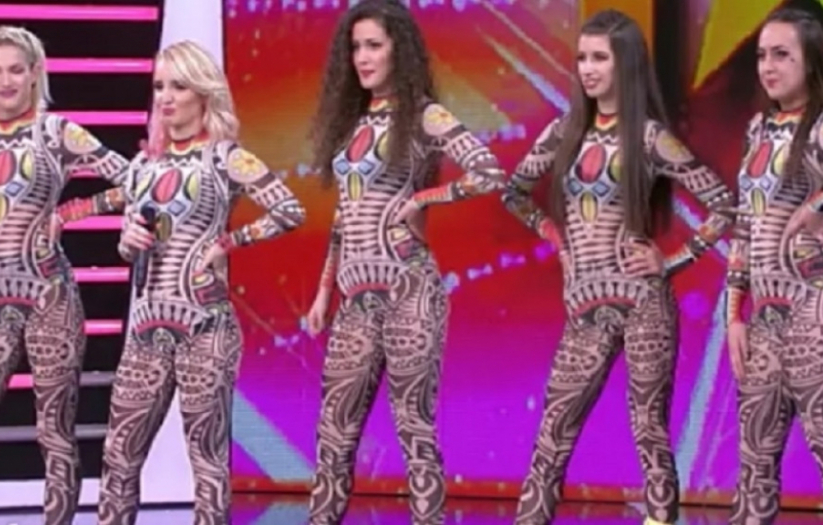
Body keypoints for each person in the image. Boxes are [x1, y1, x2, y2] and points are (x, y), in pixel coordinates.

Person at [502, 10, 736, 525]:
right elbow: (513, 192)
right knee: (553, 431)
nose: (587, 68)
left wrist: (672, 260)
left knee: (648, 430)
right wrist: (557, 240)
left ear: (625, 64)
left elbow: (726, 205)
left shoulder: (650, 138)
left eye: (599, 58)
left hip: (642, 302)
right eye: (582, 58)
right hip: (586, 306)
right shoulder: (564, 132)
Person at [303, 1, 505, 523]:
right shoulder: (352, 123)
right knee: (333, 434)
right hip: (355, 297)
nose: (362, 58)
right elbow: (345, 215)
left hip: (408, 288)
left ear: (400, 50)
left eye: (374, 45)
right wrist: (324, 291)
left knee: (414, 428)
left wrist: (422, 200)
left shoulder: (423, 114)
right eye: (356, 47)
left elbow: (488, 172)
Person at [96, 40, 305, 525]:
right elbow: (129, 250)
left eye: (179, 86)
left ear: (203, 92)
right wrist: (127, 240)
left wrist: (227, 243)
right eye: (159, 87)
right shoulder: (143, 167)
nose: (166, 98)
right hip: (147, 330)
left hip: (204, 329)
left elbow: (289, 209)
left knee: (207, 461)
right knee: (118, 456)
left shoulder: (226, 157)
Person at [0, 26, 129, 524]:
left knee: (55, 433)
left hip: (50, 298)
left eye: (16, 69)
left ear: (34, 73)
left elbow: (139, 180)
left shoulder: (58, 132)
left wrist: (74, 211)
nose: (6, 81)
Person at [725, 8, 823, 525]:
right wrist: (733, 317)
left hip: (818, 304)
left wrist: (822, 202)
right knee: (754, 460)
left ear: (809, 62)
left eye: (781, 55)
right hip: (765, 315)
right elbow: (744, 226)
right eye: (761, 56)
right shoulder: (758, 129)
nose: (768, 67)